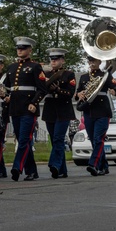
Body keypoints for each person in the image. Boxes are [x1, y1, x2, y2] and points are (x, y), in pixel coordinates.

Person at [5, 36, 47, 182]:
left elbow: (42, 89)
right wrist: (5, 95)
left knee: (24, 139)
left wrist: (34, 103)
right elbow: (5, 87)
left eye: (23, 48)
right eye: (18, 48)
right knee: (23, 140)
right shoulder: (11, 67)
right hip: (15, 107)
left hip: (28, 108)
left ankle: (17, 167)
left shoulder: (35, 67)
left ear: (29, 50)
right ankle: (32, 171)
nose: (20, 50)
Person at [76, 56, 116, 176]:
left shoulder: (105, 75)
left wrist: (114, 91)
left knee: (98, 139)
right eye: (90, 61)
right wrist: (79, 94)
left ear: (99, 62)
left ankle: (93, 164)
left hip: (102, 111)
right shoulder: (84, 77)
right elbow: (77, 93)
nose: (91, 63)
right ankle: (104, 166)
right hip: (88, 111)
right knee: (94, 141)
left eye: (94, 61)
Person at [41, 48, 77, 179]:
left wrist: (57, 89)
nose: (53, 61)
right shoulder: (46, 74)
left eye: (56, 59)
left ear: (62, 60)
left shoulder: (68, 74)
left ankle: (54, 164)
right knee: (54, 140)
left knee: (58, 138)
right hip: (50, 109)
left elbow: (70, 93)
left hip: (63, 110)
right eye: (52, 59)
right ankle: (62, 170)